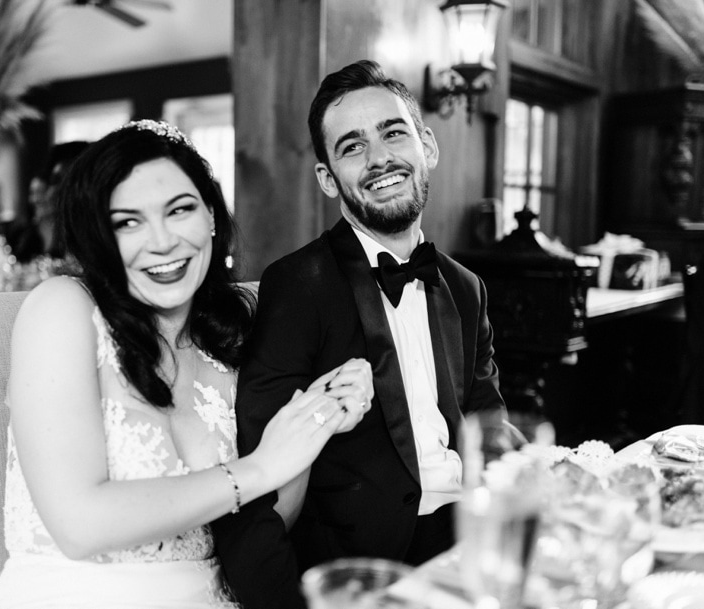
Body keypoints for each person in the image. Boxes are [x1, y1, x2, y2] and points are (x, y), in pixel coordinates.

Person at [0, 122, 374, 608]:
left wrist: (316, 423)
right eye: (127, 222)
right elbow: (78, 525)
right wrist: (257, 469)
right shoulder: (62, 309)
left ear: (211, 216)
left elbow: (268, 523)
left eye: (180, 210)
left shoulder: (235, 340)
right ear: (99, 238)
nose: (163, 242)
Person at [211, 60, 507, 609]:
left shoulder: (467, 288)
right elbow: (259, 481)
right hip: (367, 569)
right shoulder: (298, 286)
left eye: (393, 133)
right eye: (351, 147)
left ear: (428, 146)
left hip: (471, 544)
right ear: (328, 179)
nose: (379, 159)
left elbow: (490, 430)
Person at [0, 141, 88, 261]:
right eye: (32, 193)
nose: (48, 194)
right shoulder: (29, 235)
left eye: (56, 181)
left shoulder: (89, 242)